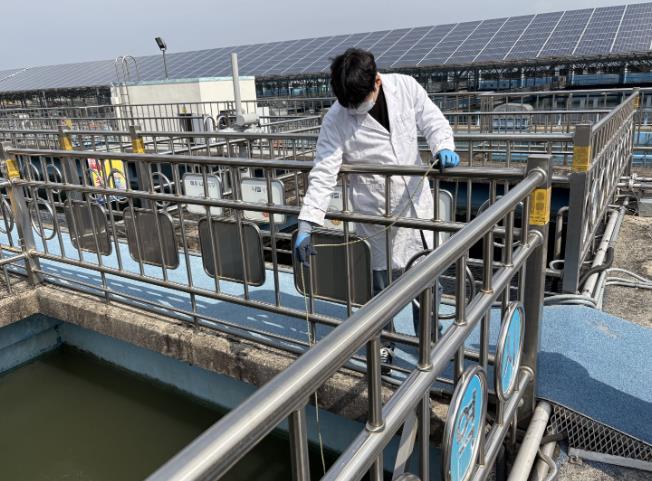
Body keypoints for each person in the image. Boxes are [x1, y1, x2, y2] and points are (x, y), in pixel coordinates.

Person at [294, 48, 459, 370]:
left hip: (415, 205)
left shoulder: (406, 87)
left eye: (359, 102)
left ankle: (430, 340)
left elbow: (432, 120)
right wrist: (307, 221)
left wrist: (443, 147)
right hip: (373, 209)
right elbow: (325, 170)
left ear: (377, 81)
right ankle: (384, 343)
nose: (355, 110)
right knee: (380, 287)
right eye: (350, 105)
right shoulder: (336, 118)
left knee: (426, 278)